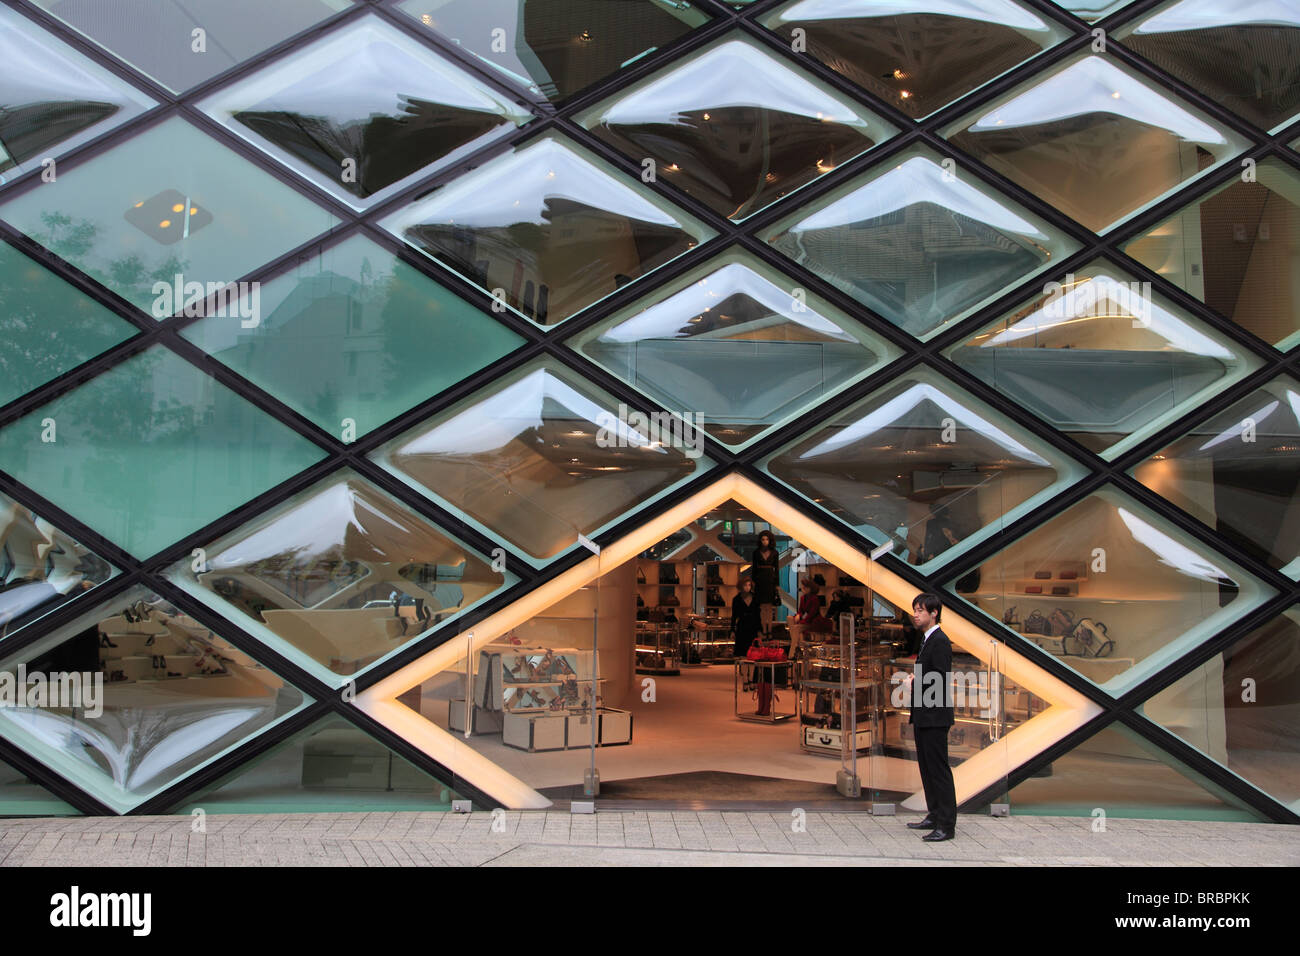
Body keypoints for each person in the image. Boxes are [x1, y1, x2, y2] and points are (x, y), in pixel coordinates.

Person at [904, 593, 957, 842]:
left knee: (938, 770)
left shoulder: (940, 641)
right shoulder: (927, 640)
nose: (916, 614)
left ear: (934, 613)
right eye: (915, 610)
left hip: (935, 716)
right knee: (927, 768)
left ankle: (946, 824)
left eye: (920, 610)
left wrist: (915, 681)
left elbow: (940, 678)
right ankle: (934, 814)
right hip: (924, 714)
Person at [750, 530, 780, 634]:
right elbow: (754, 568)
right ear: (760, 540)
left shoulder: (775, 553)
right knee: (762, 607)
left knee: (769, 607)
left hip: (770, 580)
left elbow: (777, 568)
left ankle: (769, 630)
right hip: (760, 580)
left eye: (767, 539)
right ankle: (764, 629)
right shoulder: (756, 552)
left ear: (770, 540)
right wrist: (753, 582)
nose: (765, 541)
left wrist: (777, 584)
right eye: (763, 539)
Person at [729, 576, 763, 659]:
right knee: (742, 653)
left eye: (749, 585)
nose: (747, 587)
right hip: (742, 626)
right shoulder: (736, 599)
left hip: (753, 626)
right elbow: (734, 616)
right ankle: (743, 671)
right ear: (741, 586)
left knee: (753, 652)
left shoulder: (755, 598)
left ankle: (751, 671)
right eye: (745, 585)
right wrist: (732, 630)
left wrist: (759, 630)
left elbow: (758, 615)